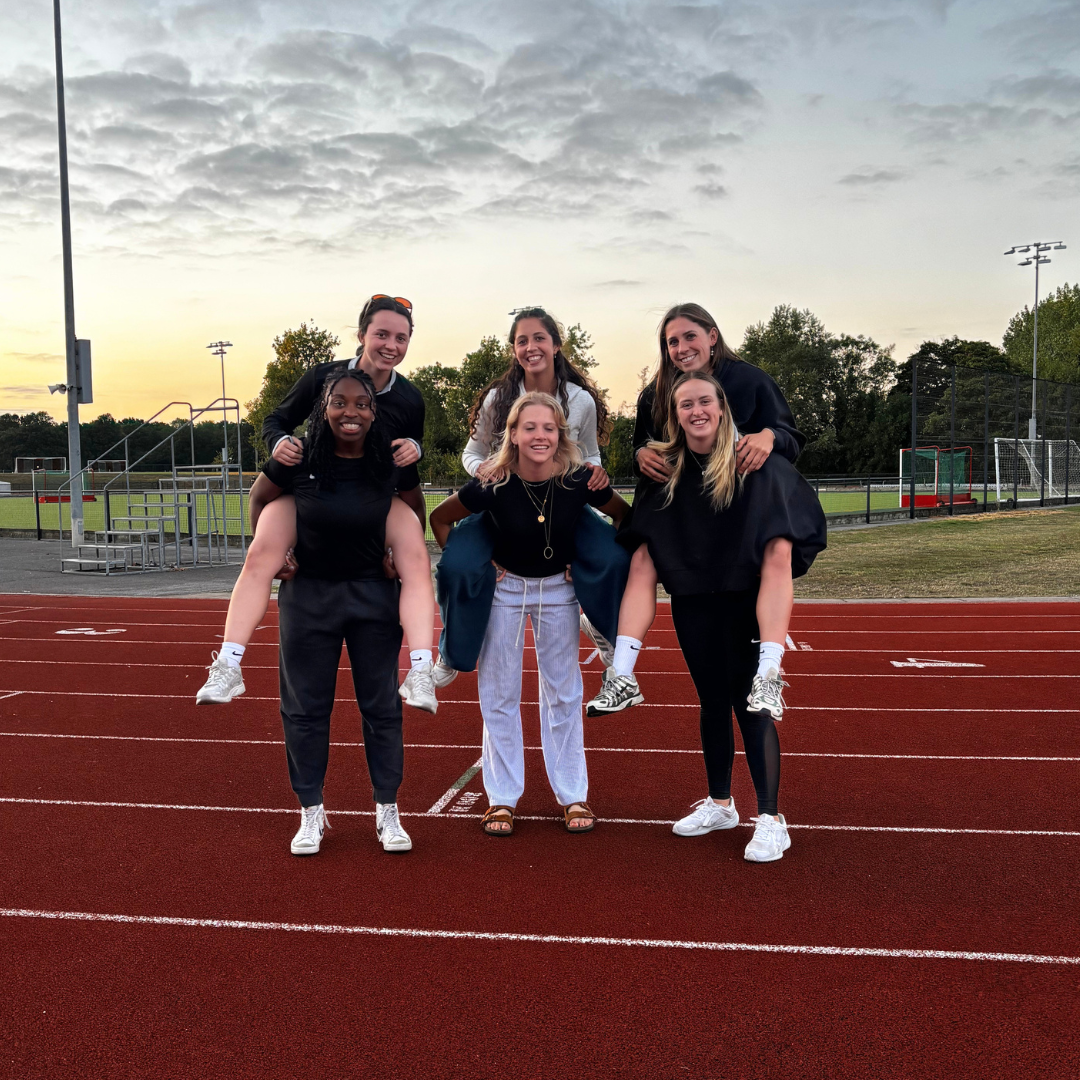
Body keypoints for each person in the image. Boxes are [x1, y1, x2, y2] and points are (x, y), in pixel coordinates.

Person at [195, 295, 438, 714]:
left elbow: (408, 460)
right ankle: (228, 664)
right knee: (260, 556)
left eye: (401, 338)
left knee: (417, 561)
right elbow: (275, 422)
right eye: (381, 334)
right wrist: (279, 442)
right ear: (361, 334)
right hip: (313, 488)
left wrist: (417, 447)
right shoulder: (323, 377)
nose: (391, 345)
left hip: (369, 498)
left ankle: (421, 671)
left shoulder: (410, 398)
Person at [618, 370, 825, 862]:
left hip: (744, 601)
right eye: (685, 404)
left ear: (722, 407)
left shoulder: (756, 463)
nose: (696, 411)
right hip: (693, 601)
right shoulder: (666, 474)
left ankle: (771, 818)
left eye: (704, 401)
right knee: (711, 703)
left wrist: (772, 657)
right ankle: (720, 804)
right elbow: (642, 559)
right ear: (674, 416)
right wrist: (622, 664)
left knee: (752, 706)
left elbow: (780, 558)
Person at [587, 301, 806, 718]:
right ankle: (622, 674)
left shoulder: (750, 380)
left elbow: (789, 439)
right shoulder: (654, 393)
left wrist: (769, 436)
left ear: (712, 336)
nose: (681, 347)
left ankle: (769, 674)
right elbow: (645, 444)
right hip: (683, 508)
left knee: (779, 547)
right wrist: (640, 453)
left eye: (690, 336)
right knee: (642, 556)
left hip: (741, 508)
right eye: (672, 342)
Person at [430, 392, 629, 837]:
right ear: (514, 435)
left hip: (559, 590)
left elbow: (623, 517)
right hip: (505, 590)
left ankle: (572, 794)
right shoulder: (492, 480)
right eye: (530, 427)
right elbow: (440, 520)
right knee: (499, 693)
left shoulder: (581, 479)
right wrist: (478, 565)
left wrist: (588, 564)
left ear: (561, 434)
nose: (540, 436)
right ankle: (502, 798)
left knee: (563, 693)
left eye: (549, 428)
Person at [251, 366, 417, 855]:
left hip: (373, 596)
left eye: (362, 404)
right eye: (340, 402)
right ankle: (311, 811)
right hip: (309, 596)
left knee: (381, 707)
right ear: (323, 408)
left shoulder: (389, 460)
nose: (351, 412)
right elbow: (259, 499)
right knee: (305, 709)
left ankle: (387, 809)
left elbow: (413, 510)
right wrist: (276, 552)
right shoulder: (298, 457)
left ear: (374, 412)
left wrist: (399, 555)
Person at [433, 306, 623, 687]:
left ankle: (600, 623)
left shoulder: (580, 400)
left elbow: (589, 454)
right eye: (522, 341)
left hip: (563, 499)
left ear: (556, 345)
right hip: (503, 502)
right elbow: (472, 454)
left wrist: (596, 471)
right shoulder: (498, 399)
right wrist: (486, 471)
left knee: (612, 556)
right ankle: (452, 650)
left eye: (539, 338)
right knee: (457, 566)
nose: (531, 347)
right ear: (514, 350)